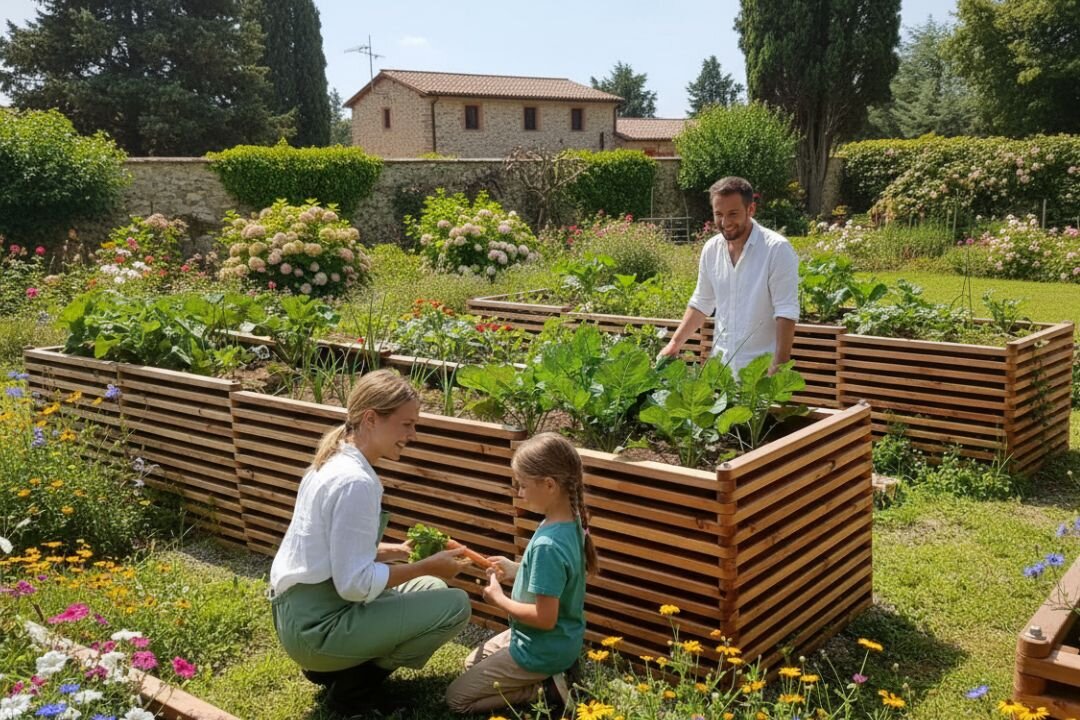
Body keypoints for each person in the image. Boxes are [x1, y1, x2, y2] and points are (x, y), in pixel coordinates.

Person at [269, 369, 472, 718]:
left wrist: (398, 552)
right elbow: (354, 585)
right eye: (406, 424)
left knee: (431, 587)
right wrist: (427, 564)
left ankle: (337, 668)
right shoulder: (356, 483)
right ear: (371, 419)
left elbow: (329, 551)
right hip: (318, 629)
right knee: (454, 604)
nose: (412, 435)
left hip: (299, 616)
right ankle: (353, 688)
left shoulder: (331, 461)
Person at [445, 432, 598, 715]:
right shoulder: (569, 522)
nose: (520, 493)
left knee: (456, 700)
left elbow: (544, 618)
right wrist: (516, 569)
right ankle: (553, 676)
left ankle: (544, 690)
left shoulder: (548, 545)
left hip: (541, 649)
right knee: (471, 664)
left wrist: (498, 599)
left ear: (549, 485)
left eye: (523, 486)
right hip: (557, 641)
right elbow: (557, 581)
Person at [659, 176, 800, 374]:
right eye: (718, 214)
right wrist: (675, 343)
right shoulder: (711, 249)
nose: (725, 222)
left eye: (733, 213)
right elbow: (702, 302)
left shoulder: (776, 249)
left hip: (759, 373)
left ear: (751, 209)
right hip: (721, 371)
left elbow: (786, 311)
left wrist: (778, 367)